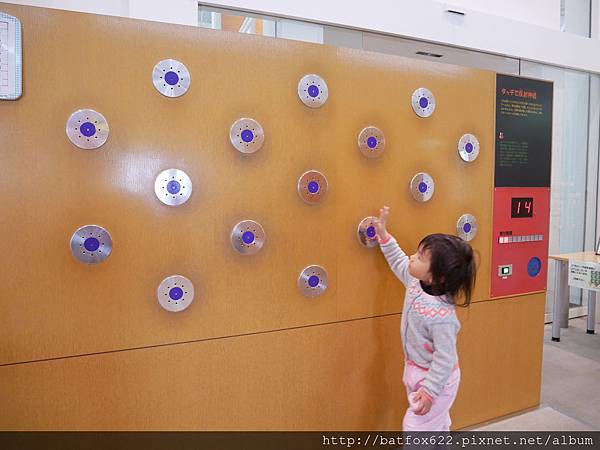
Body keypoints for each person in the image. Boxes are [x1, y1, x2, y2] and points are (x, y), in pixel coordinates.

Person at [373, 206, 476, 431]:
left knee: (415, 427)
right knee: (435, 428)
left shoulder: (443, 317)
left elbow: (445, 358)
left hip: (438, 381)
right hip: (414, 370)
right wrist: (383, 235)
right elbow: (398, 260)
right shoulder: (415, 283)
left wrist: (430, 391)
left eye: (419, 257)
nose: (412, 257)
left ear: (435, 277)